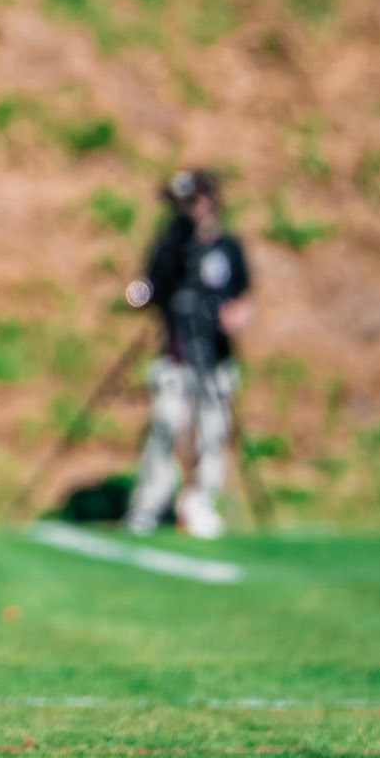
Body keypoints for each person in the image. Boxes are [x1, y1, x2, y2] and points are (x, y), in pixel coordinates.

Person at [124, 170, 254, 541]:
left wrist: (237, 315)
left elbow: (243, 295)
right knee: (165, 426)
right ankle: (150, 504)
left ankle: (199, 503)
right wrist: (137, 295)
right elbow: (148, 289)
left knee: (212, 431)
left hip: (214, 356)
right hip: (176, 353)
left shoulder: (227, 248)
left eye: (192, 201)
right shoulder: (169, 247)